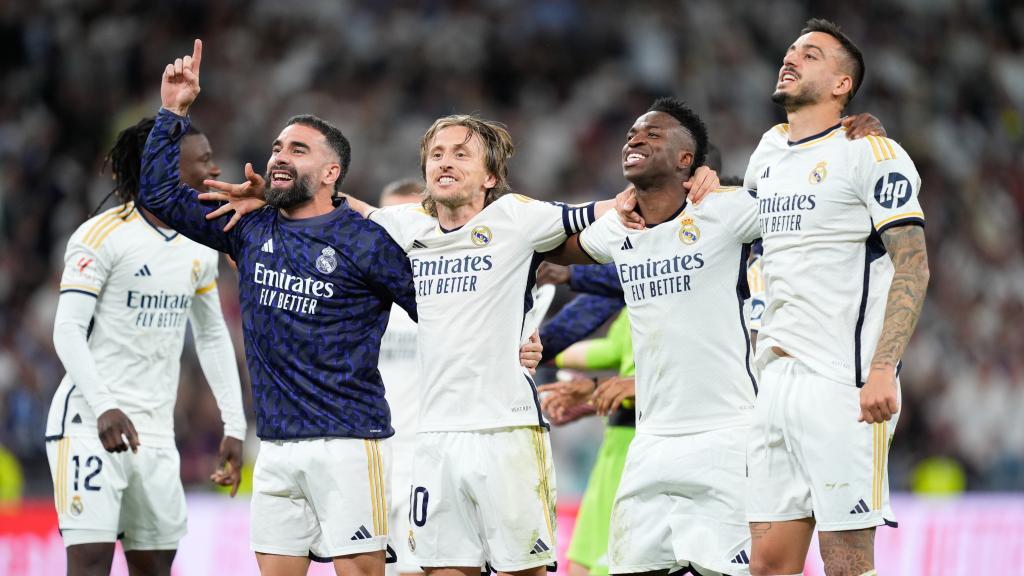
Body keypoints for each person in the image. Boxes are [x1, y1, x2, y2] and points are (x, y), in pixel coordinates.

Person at [204, 109, 720, 576]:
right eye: (435, 154)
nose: (444, 162)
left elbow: (617, 206)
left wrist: (691, 178)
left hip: (506, 433)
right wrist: (268, 200)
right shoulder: (407, 226)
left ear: (490, 175)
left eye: (461, 153)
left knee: (523, 572)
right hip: (435, 440)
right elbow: (342, 209)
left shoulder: (519, 216)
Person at [140, 40, 420, 576]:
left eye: (297, 149)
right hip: (275, 446)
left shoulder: (365, 240)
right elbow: (158, 195)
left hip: (349, 441)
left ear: (332, 172)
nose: (279, 156)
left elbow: (434, 308)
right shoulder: (248, 226)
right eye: (277, 147)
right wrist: (173, 111)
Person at [685, 18, 929, 575]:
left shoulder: (873, 152)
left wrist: (884, 369)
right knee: (767, 565)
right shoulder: (769, 150)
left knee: (846, 563)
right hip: (773, 383)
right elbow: (751, 219)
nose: (791, 59)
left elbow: (913, 262)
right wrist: (708, 185)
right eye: (792, 51)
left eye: (812, 54)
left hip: (841, 385)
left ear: (843, 84)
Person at [550, 96, 759, 575]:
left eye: (654, 133)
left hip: (724, 435)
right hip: (649, 442)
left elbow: (797, 212)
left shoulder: (724, 213)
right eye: (631, 134)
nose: (635, 138)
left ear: (688, 159)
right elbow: (550, 247)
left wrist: (846, 143)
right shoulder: (620, 231)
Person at [45, 115, 247, 576]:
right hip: (88, 424)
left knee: (156, 566)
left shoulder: (200, 243)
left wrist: (233, 425)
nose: (215, 169)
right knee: (91, 563)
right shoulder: (101, 235)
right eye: (205, 160)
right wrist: (104, 407)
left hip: (155, 434)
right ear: (168, 167)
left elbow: (212, 335)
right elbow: (67, 330)